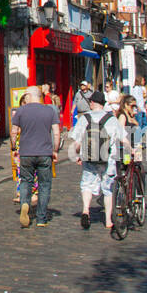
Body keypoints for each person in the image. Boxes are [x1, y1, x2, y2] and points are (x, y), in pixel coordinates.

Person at [68, 90, 129, 231]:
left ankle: (85, 210)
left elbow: (77, 143)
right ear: (103, 104)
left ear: (92, 103)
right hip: (109, 160)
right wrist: (131, 150)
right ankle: (108, 220)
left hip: (89, 158)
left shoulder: (84, 119)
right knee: (107, 189)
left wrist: (77, 155)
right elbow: (124, 139)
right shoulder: (111, 119)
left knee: (87, 185)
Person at [10, 85, 60, 228]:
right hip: (45, 152)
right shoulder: (50, 110)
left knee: (26, 181)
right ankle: (41, 218)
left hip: (26, 152)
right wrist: (55, 150)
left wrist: (14, 147)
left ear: (30, 96)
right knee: (44, 185)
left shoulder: (20, 111)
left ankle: (25, 203)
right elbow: (56, 133)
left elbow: (14, 132)